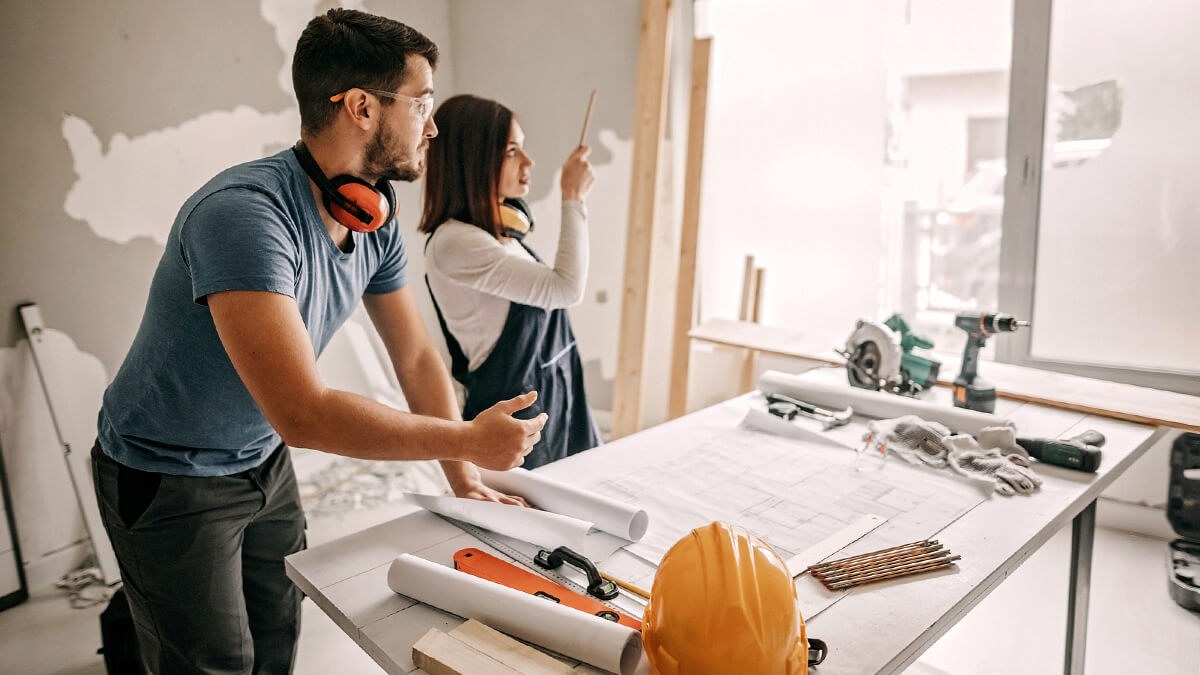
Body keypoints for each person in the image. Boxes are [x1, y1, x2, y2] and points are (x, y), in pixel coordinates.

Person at [90, 9, 545, 674]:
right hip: (168, 474)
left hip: (262, 461)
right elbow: (303, 413)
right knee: (211, 662)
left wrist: (464, 477)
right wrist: (467, 438)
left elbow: (416, 355)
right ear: (362, 107)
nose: (433, 126)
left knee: (277, 631)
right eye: (421, 103)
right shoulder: (245, 217)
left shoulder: (372, 215)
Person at [419, 94, 600, 470]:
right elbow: (566, 288)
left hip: (559, 396)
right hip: (515, 416)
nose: (529, 162)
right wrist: (573, 197)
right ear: (474, 159)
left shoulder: (500, 236)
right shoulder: (456, 243)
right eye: (512, 151)